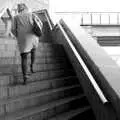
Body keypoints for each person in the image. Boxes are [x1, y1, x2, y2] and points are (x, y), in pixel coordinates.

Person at [10, 3, 41, 85]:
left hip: (23, 39)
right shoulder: (32, 15)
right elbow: (39, 24)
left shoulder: (15, 17)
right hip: (33, 37)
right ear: (26, 8)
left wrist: (18, 36)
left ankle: (25, 78)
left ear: (19, 9)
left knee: (24, 58)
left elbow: (13, 29)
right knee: (34, 51)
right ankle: (32, 66)